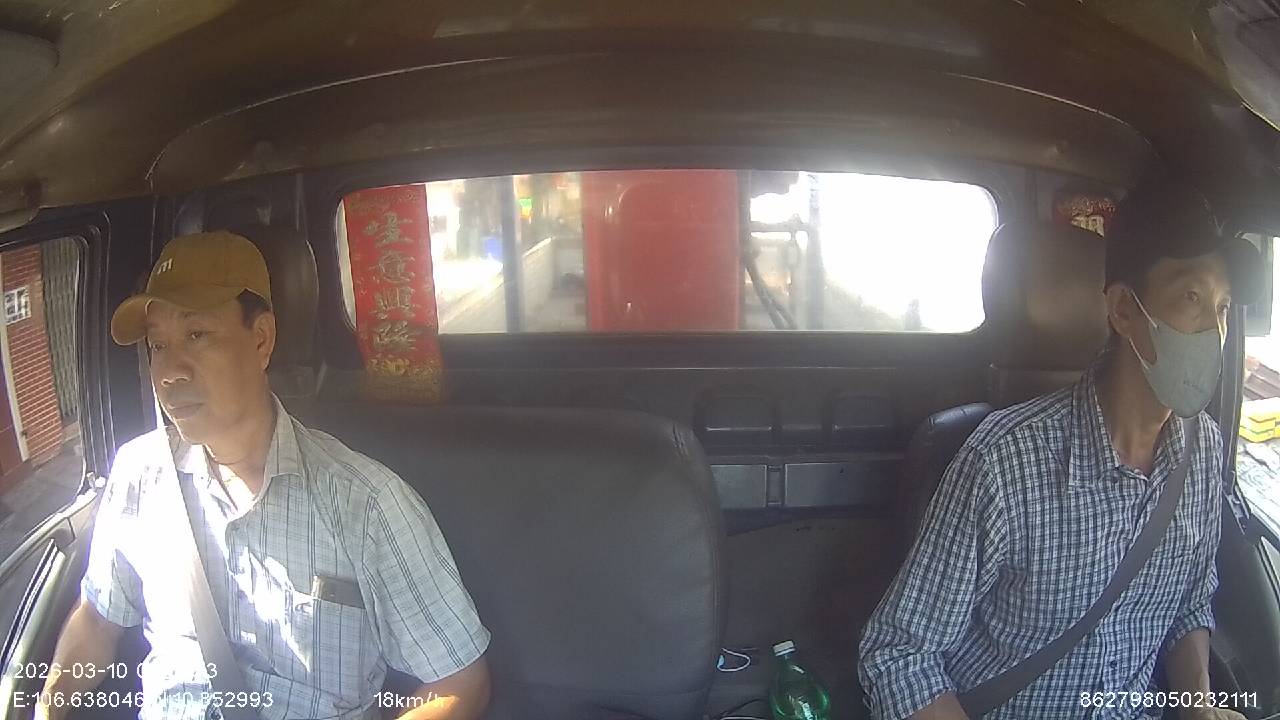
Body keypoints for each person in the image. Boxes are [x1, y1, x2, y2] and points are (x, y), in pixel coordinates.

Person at [37, 231, 491, 720]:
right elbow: (98, 619)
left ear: (261, 339)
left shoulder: (366, 503)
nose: (169, 371)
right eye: (157, 345)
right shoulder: (138, 475)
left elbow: (459, 681)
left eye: (196, 335)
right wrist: (44, 708)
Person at [858, 180, 1262, 720]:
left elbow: (1189, 600)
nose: (1215, 330)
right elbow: (897, 655)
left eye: (1224, 307)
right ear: (1124, 309)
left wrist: (1199, 709)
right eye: (1192, 298)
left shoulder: (1204, 451)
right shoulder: (1003, 463)